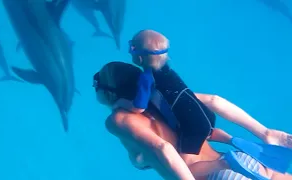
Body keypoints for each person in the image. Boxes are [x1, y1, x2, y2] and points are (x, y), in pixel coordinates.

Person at [93, 61, 292, 180]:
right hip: (246, 160)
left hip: (216, 175)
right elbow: (215, 101)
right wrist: (265, 132)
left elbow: (164, 149)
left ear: (108, 93)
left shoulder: (117, 120)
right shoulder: (161, 99)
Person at [113, 29, 292, 154]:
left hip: (189, 127)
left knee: (182, 154)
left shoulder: (147, 77)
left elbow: (138, 108)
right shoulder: (167, 67)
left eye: (132, 48)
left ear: (139, 57)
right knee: (208, 131)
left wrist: (121, 102)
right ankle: (234, 140)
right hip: (205, 116)